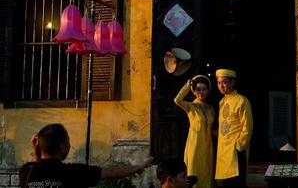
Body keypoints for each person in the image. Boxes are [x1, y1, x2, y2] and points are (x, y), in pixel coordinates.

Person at [20, 123, 153, 188]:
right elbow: (111, 172)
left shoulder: (26, 171)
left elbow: (38, 166)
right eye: (68, 141)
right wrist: (138, 166)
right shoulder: (73, 173)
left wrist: (37, 150)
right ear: (62, 147)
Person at [174, 75, 215, 188]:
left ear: (208, 90)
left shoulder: (211, 109)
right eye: (198, 89)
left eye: (204, 89)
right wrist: (187, 86)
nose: (201, 92)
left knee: (206, 172)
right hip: (195, 144)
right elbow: (177, 100)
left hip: (208, 146)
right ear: (194, 91)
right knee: (194, 171)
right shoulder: (190, 106)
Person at [214, 69, 253, 188]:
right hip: (223, 152)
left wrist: (239, 146)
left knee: (237, 184)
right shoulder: (222, 102)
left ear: (233, 82)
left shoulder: (242, 100)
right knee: (226, 184)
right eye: (219, 83)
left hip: (235, 151)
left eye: (224, 82)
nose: (221, 86)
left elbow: (248, 126)